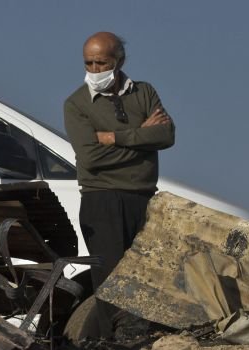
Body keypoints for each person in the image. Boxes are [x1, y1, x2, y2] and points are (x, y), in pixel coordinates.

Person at [63, 32, 175, 294]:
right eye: (88, 63)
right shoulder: (76, 104)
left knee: (148, 284)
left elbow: (166, 135)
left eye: (101, 63)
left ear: (119, 61)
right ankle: (107, 337)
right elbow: (90, 158)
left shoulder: (144, 92)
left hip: (144, 199)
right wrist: (143, 138)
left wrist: (114, 138)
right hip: (102, 201)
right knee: (112, 285)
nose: (94, 70)